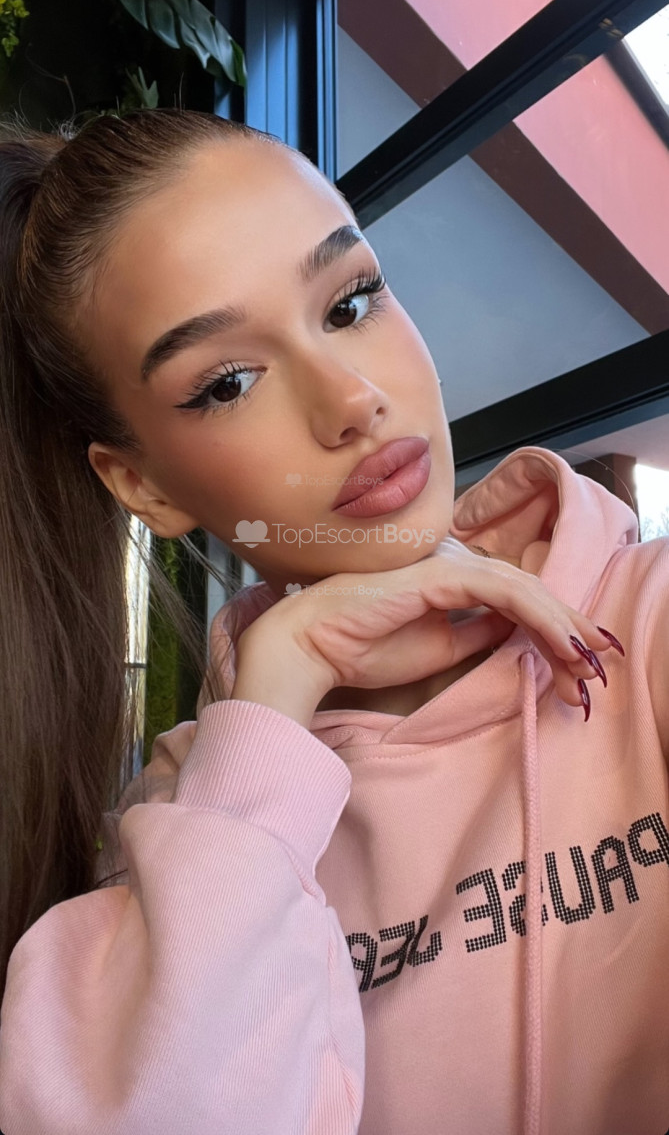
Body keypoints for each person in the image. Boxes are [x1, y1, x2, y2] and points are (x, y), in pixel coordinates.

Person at [0, 108, 666, 1135]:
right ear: (143, 486)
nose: (351, 399)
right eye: (228, 382)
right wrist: (274, 708)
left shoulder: (643, 624)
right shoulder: (179, 833)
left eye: (351, 302)